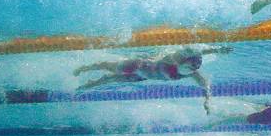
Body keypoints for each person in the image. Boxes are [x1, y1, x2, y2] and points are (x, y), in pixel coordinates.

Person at [73, 46, 231, 114]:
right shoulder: (173, 59)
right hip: (138, 65)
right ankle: (84, 68)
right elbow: (197, 51)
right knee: (107, 66)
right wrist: (216, 50)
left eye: (197, 66)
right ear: (183, 61)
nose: (195, 68)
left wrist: (207, 102)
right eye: (192, 65)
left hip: (140, 76)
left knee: (109, 80)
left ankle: (84, 86)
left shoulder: (192, 73)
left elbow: (206, 86)